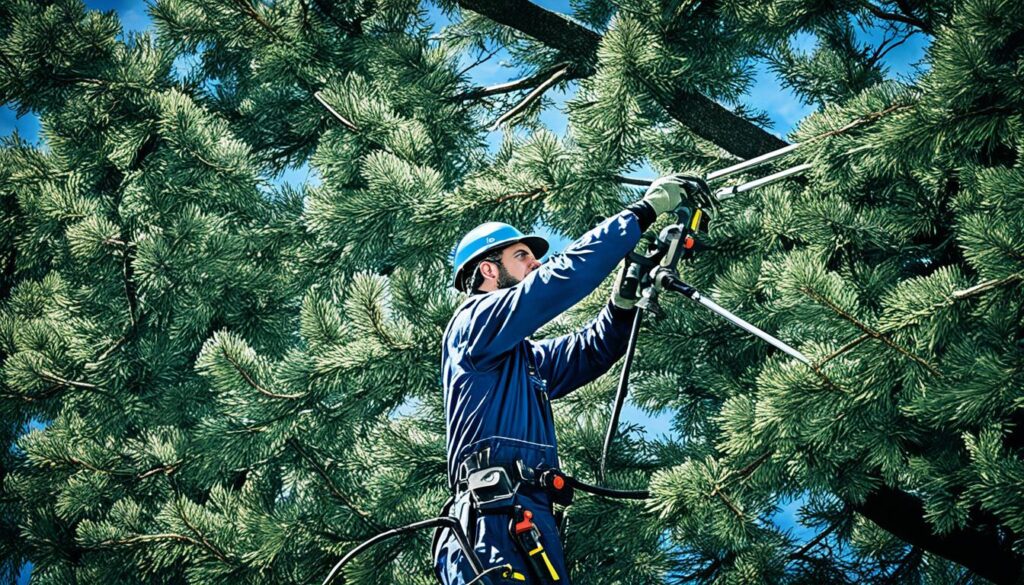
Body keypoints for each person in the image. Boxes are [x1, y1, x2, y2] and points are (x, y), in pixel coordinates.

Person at [433, 176, 709, 584]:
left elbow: (590, 351)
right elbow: (559, 280)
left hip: (525, 516)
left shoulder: (522, 361)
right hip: (490, 519)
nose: (535, 264)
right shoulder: (472, 326)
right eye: (522, 256)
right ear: (488, 270)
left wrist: (622, 303)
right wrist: (643, 211)